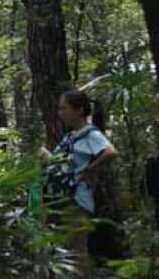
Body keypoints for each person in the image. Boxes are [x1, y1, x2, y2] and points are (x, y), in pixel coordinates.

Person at [50, 89, 118, 278]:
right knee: (68, 252)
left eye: (64, 109)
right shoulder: (70, 136)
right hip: (62, 198)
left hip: (77, 199)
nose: (61, 113)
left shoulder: (90, 134)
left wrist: (91, 169)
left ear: (79, 110)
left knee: (77, 252)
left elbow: (111, 151)